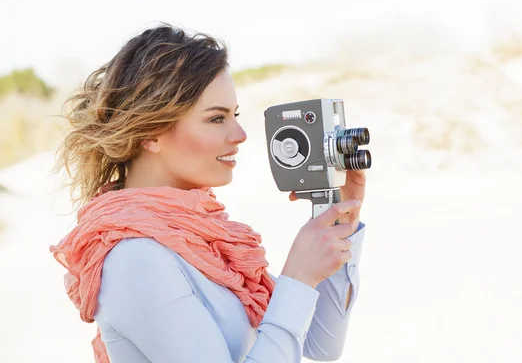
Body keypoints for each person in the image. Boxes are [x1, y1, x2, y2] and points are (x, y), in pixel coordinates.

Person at [50, 23, 367, 363]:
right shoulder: (135, 258)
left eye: (235, 115)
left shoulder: (205, 240)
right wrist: (298, 276)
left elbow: (321, 345)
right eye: (217, 119)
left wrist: (336, 213)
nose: (241, 134)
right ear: (151, 133)